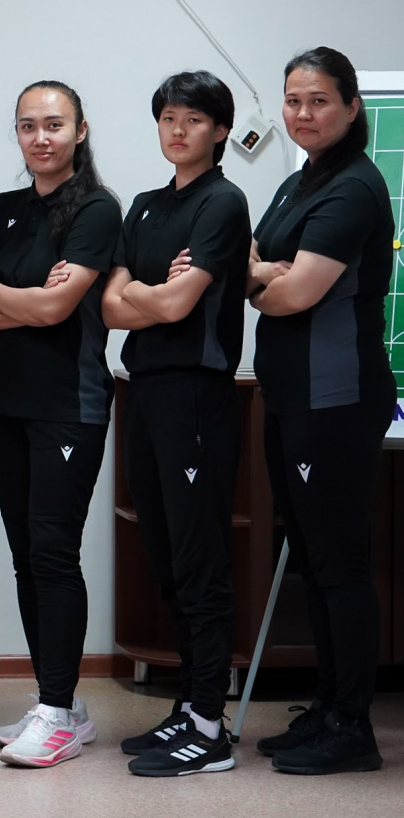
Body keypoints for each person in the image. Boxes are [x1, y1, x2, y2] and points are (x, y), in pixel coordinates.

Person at [0, 80, 119, 769]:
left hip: (68, 406)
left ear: (79, 131)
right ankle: (63, 703)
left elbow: (57, 311)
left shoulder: (97, 210)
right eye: (28, 126)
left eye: (54, 125)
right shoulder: (3, 209)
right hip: (7, 404)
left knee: (53, 554)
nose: (40, 137)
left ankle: (56, 714)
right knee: (27, 556)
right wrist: (20, 297)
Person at [249, 47, 394, 775]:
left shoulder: (354, 187)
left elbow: (295, 293)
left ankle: (352, 727)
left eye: (318, 101)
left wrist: (263, 279)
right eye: (293, 100)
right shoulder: (298, 182)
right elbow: (252, 260)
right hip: (291, 397)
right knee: (312, 557)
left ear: (351, 107)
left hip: (334, 399)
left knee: (339, 564)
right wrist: (261, 272)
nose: (302, 114)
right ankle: (328, 705)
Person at [102, 72, 250, 777]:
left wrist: (146, 291)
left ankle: (209, 726)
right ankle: (189, 707)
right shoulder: (144, 205)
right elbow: (111, 307)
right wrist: (152, 289)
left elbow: (172, 308)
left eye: (193, 119)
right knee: (163, 553)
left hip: (197, 392)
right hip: (144, 392)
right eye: (167, 118)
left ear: (219, 130)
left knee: (198, 558)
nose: (178, 130)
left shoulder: (223, 202)